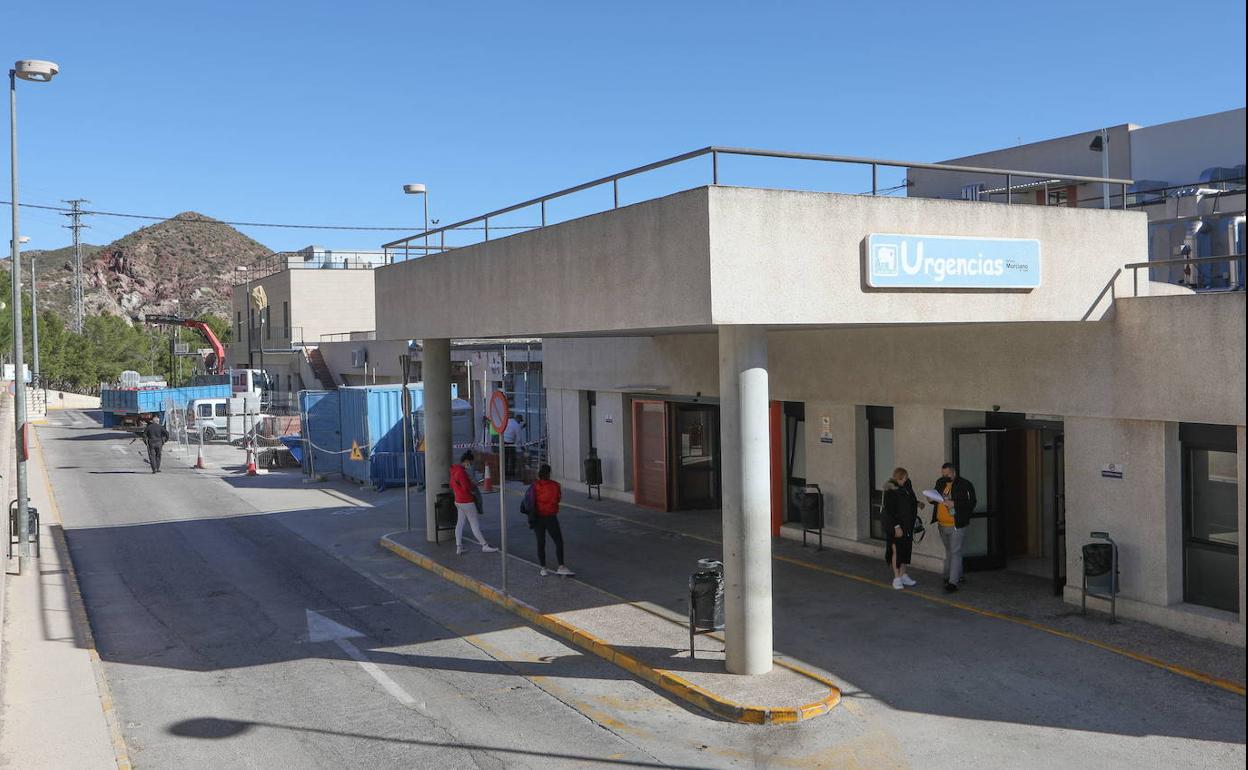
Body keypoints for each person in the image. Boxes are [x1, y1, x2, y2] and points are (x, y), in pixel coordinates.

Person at [930, 462, 977, 593]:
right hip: (942, 524)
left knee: (955, 551)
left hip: (957, 524)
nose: (945, 477)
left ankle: (952, 582)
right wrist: (931, 499)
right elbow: (936, 498)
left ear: (954, 472)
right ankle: (957, 575)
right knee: (951, 550)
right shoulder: (940, 482)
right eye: (943, 474)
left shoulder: (965, 484)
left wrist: (955, 503)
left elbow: (971, 503)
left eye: (948, 475)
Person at [880, 467, 924, 590]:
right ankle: (896, 577)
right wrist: (896, 526)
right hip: (895, 526)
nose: (905, 480)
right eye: (903, 478)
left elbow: (908, 502)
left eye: (906, 478)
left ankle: (903, 574)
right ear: (897, 478)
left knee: (905, 550)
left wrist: (917, 503)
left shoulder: (907, 488)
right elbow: (890, 510)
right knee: (896, 551)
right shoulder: (891, 491)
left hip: (907, 525)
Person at [528, 463, 573, 576]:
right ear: (549, 473)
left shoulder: (534, 486)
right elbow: (557, 499)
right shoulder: (555, 486)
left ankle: (543, 568)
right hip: (551, 517)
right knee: (558, 541)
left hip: (538, 517)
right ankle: (561, 566)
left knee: (540, 542)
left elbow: (529, 501)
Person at [449, 451, 498, 555]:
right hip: (467, 501)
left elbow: (452, 485)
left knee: (460, 523)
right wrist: (473, 486)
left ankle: (459, 546)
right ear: (466, 461)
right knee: (474, 524)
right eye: (470, 462)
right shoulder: (461, 472)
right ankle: (484, 545)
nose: (470, 465)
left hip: (458, 501)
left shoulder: (454, 470)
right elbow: (467, 487)